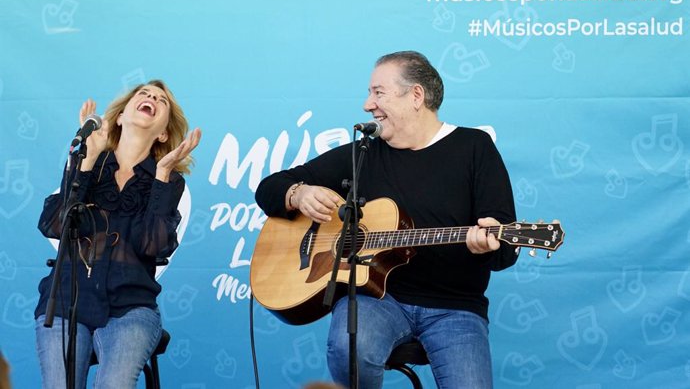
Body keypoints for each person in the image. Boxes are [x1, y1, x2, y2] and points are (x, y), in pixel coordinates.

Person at [255, 51, 518, 388]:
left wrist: (486, 245)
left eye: (378, 92)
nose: (367, 104)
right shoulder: (365, 153)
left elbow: (506, 250)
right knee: (349, 347)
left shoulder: (474, 147)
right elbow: (269, 187)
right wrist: (298, 194)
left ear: (416, 96)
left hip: (455, 308)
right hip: (379, 300)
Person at [34, 80, 201, 389]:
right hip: (67, 300)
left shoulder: (169, 181)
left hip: (131, 307)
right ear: (121, 116)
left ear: (163, 132)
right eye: (144, 94)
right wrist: (85, 163)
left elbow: (153, 245)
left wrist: (162, 175)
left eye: (160, 100)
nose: (151, 97)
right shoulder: (87, 161)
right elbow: (55, 224)